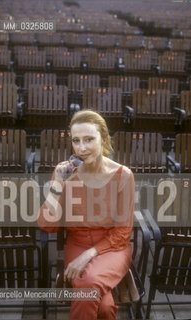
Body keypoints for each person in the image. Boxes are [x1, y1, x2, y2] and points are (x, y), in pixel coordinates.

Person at [38, 109, 134, 320]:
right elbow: (47, 225)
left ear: (104, 138)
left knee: (88, 281)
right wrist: (57, 187)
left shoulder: (123, 175)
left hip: (113, 248)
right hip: (77, 244)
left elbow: (123, 233)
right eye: (76, 141)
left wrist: (89, 255)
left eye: (89, 139)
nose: (81, 148)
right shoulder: (64, 172)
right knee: (104, 308)